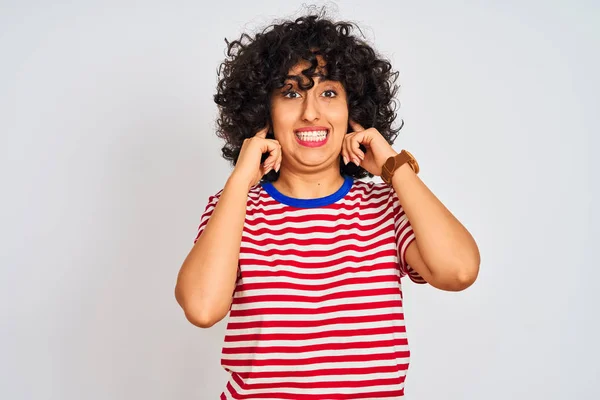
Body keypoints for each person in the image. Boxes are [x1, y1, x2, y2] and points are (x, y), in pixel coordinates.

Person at [175, 10, 480, 399]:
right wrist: (240, 179)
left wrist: (394, 167)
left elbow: (459, 271)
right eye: (290, 93)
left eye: (329, 92)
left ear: (354, 110)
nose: (311, 111)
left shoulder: (387, 207)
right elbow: (202, 308)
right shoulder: (234, 209)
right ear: (262, 114)